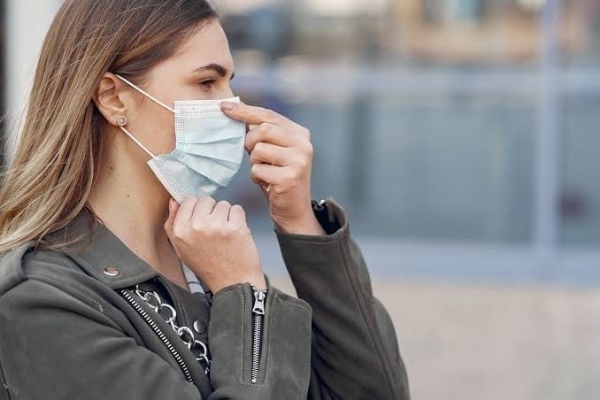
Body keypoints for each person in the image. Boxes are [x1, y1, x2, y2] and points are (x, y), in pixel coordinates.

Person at [0, 1, 410, 399]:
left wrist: (300, 222)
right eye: (206, 83)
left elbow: (374, 391)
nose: (232, 108)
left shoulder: (205, 256)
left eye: (230, 83)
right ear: (114, 97)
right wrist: (246, 295)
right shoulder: (41, 302)